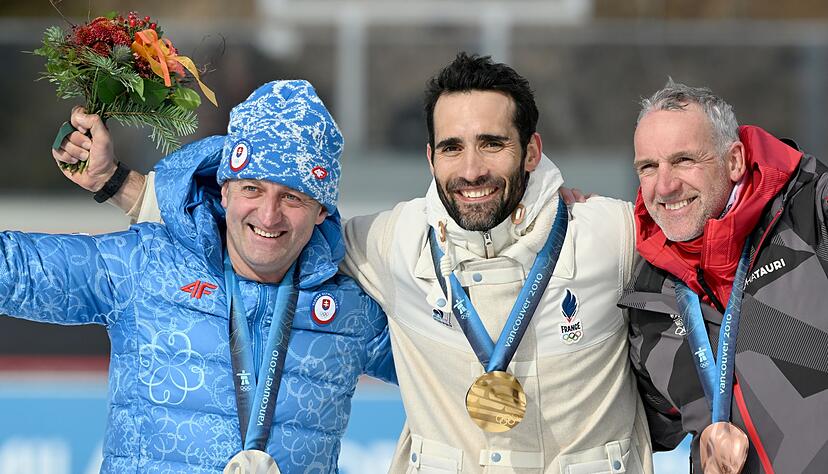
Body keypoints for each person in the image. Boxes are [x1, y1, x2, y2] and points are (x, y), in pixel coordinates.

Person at [56, 54, 654, 473]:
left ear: (532, 152)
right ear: (430, 157)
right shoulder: (395, 242)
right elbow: (265, 229)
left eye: (492, 143)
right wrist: (116, 183)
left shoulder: (612, 232)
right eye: (452, 147)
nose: (471, 168)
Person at [7, 80, 395, 473]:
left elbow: (450, 370)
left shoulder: (351, 312)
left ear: (322, 211)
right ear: (224, 191)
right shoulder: (147, 266)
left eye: (292, 197)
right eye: (252, 189)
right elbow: (18, 271)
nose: (268, 215)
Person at [619, 80, 828, 473]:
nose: (665, 185)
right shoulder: (648, 295)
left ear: (733, 161)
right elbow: (639, 425)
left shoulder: (813, 218)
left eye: (684, 160)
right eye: (649, 167)